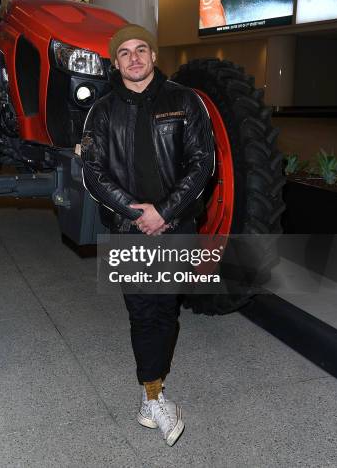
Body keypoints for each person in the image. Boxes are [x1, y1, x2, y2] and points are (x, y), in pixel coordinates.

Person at [81, 24, 215, 446]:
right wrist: (136, 213)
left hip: (175, 226)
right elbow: (94, 173)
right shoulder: (101, 111)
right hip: (128, 228)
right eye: (124, 52)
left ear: (154, 56)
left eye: (141, 49)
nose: (134, 58)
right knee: (143, 313)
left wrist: (166, 212)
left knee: (165, 311)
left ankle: (151, 393)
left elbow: (202, 164)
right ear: (115, 62)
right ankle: (152, 394)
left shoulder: (185, 101)